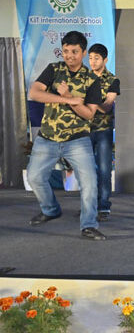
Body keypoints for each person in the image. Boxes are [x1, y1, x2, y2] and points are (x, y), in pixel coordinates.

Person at [26, 30, 106, 240]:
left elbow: (89, 114)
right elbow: (34, 93)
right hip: (47, 138)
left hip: (77, 140)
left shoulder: (91, 80)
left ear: (83, 52)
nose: (69, 56)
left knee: (89, 183)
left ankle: (89, 225)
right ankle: (51, 210)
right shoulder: (54, 69)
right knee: (34, 177)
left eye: (74, 52)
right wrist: (68, 100)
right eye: (66, 51)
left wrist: (70, 94)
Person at [87, 43, 120, 222]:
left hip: (103, 130)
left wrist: (89, 102)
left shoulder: (113, 80)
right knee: (86, 170)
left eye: (96, 58)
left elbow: (107, 106)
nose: (93, 62)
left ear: (105, 60)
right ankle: (89, 206)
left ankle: (104, 206)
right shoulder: (83, 77)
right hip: (84, 129)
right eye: (90, 58)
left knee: (104, 169)